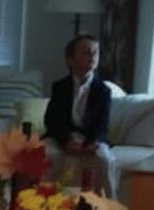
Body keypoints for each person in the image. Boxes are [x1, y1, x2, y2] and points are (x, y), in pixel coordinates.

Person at [43, 34, 117, 197]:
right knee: (47, 154)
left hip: (91, 138)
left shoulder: (103, 90)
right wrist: (65, 141)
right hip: (64, 136)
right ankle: (45, 204)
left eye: (95, 52)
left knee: (104, 159)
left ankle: (109, 208)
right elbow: (52, 120)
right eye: (86, 52)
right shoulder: (60, 87)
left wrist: (91, 143)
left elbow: (102, 123)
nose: (92, 56)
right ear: (70, 60)